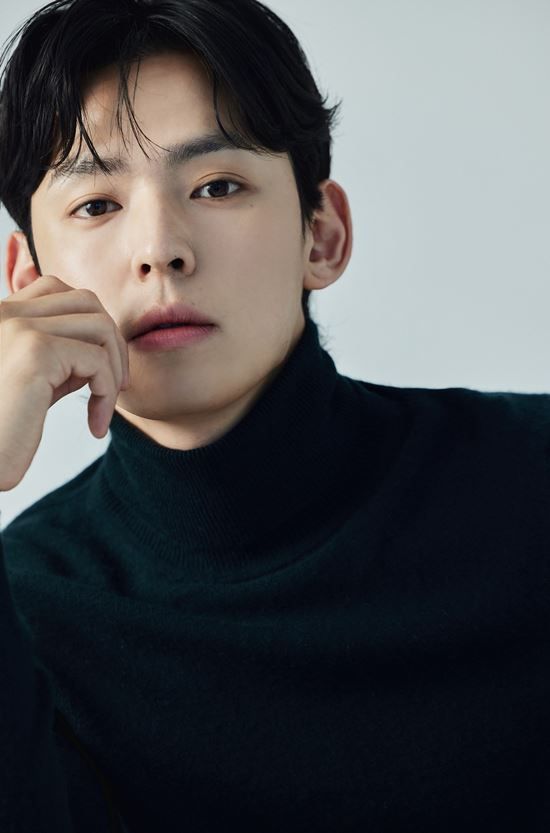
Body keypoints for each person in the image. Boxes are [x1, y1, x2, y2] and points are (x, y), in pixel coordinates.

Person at [0, 1, 548, 831]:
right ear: (26, 280)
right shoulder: (27, 605)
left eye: (217, 186)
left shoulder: (530, 480)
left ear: (321, 236)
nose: (160, 249)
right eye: (97, 205)